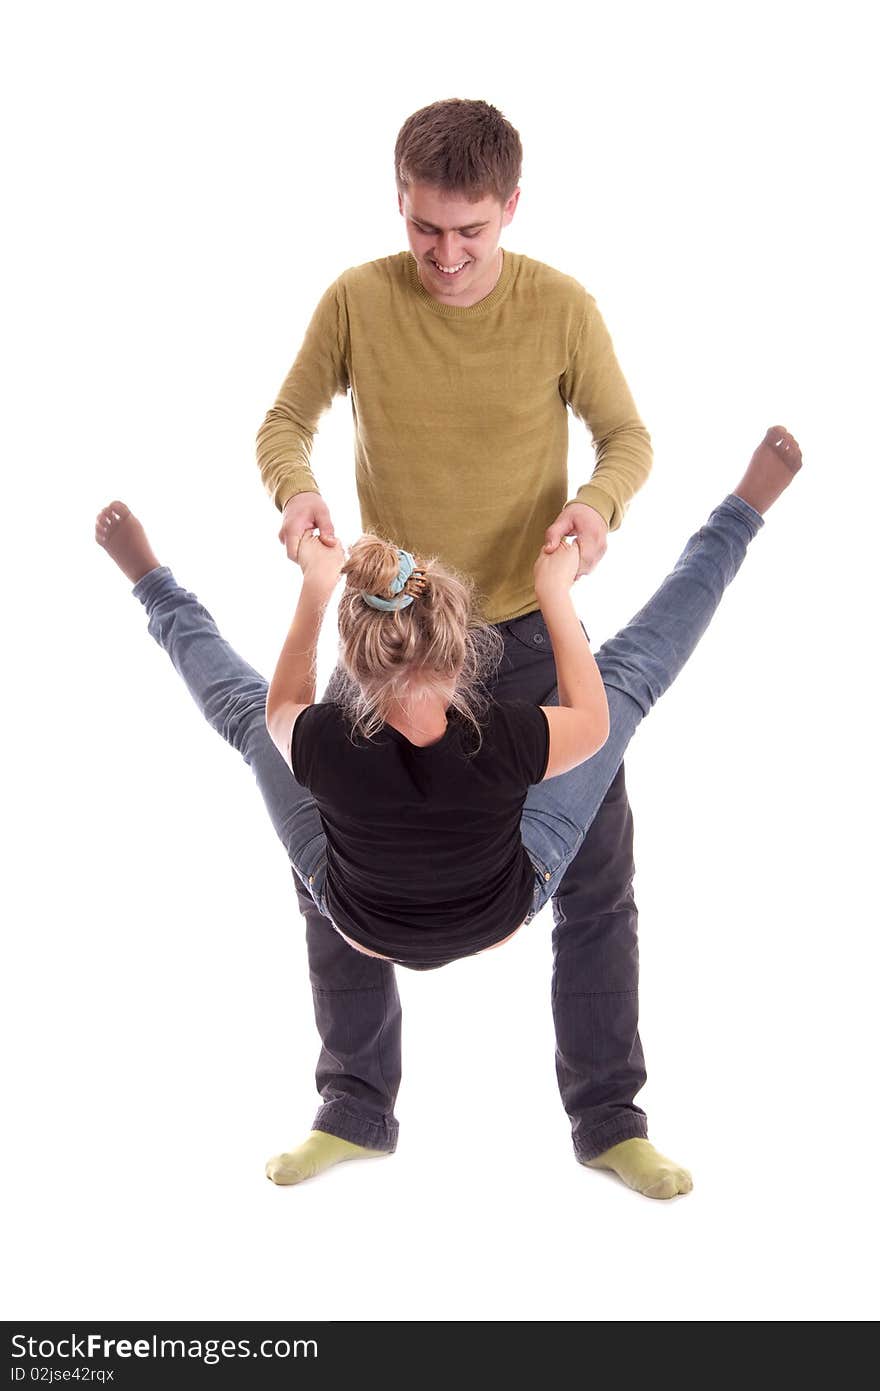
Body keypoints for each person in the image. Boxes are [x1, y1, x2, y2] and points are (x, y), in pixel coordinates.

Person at [96, 426, 802, 1199]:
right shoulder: (503, 736)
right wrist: (556, 595)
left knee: (242, 714)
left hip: (357, 913)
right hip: (501, 908)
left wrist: (313, 587)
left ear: (355, 668)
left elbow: (276, 706)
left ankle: (150, 582)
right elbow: (597, 718)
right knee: (631, 676)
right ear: (467, 658)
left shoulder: (323, 740)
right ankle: (740, 513)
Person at [255, 97, 668, 1195]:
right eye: (424, 228)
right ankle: (352, 1106)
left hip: (527, 633)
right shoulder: (356, 299)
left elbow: (626, 438)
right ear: (402, 203)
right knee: (332, 867)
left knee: (598, 872)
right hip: (391, 633)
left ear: (510, 208)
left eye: (469, 231)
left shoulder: (560, 307)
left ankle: (607, 1120)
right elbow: (284, 423)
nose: (444, 255)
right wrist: (297, 497)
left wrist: (596, 507)